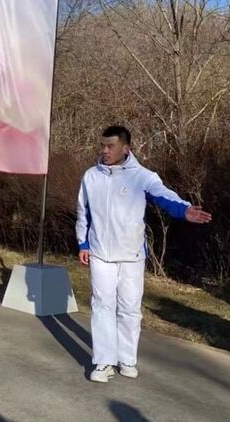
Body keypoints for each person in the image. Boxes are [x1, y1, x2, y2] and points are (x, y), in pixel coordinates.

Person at [76, 125, 212, 383]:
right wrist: (83, 244)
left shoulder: (142, 177)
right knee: (102, 306)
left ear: (125, 148)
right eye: (103, 145)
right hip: (100, 253)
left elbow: (164, 196)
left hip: (132, 256)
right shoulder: (91, 176)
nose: (105, 151)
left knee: (130, 309)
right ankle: (104, 362)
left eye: (111, 146)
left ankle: (127, 359)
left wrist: (184, 210)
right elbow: (84, 211)